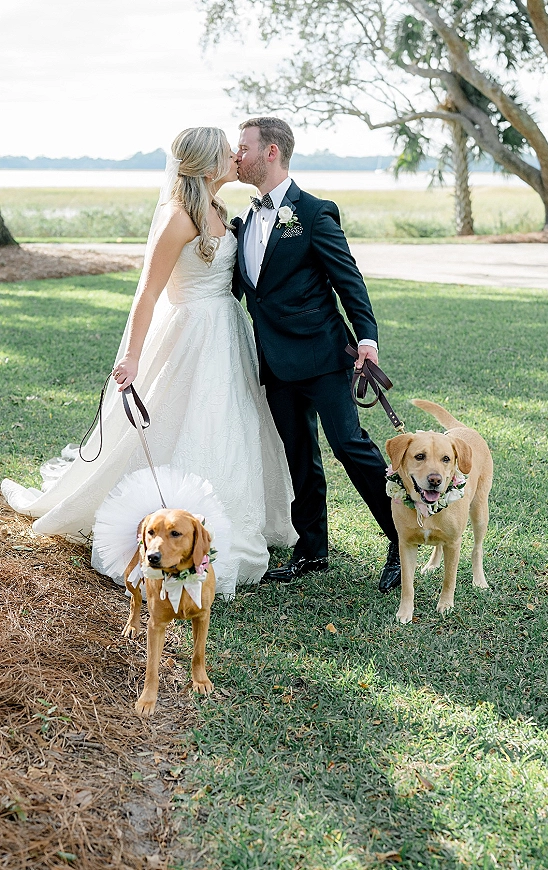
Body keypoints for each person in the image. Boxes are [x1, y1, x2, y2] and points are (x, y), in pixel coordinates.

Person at [1, 126, 295, 597]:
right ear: (205, 165)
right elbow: (148, 292)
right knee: (191, 423)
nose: (235, 159)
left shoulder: (218, 210)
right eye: (227, 153)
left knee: (229, 426)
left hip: (226, 332)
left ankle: (225, 521)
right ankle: (175, 532)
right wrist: (132, 357)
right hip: (190, 335)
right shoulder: (177, 217)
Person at [232, 117, 401, 591]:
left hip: (325, 354)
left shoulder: (315, 212)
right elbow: (250, 292)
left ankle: (398, 534)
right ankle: (311, 549)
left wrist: (366, 338)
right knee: (298, 453)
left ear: (270, 152)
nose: (236, 155)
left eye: (243, 147)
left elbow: (348, 279)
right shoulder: (243, 222)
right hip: (275, 362)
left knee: (349, 445)